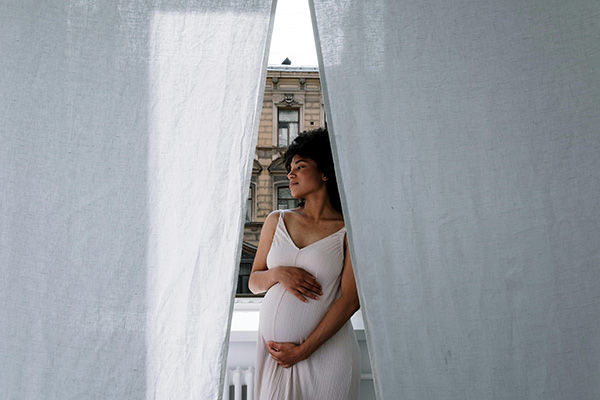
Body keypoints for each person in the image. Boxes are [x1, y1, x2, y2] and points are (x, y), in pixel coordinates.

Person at [249, 127, 361, 399]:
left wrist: (302, 351)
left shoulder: (349, 230)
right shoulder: (277, 221)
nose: (290, 174)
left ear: (324, 172)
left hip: (327, 356)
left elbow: (350, 301)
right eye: (290, 168)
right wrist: (278, 273)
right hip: (277, 357)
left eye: (300, 166)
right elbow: (253, 282)